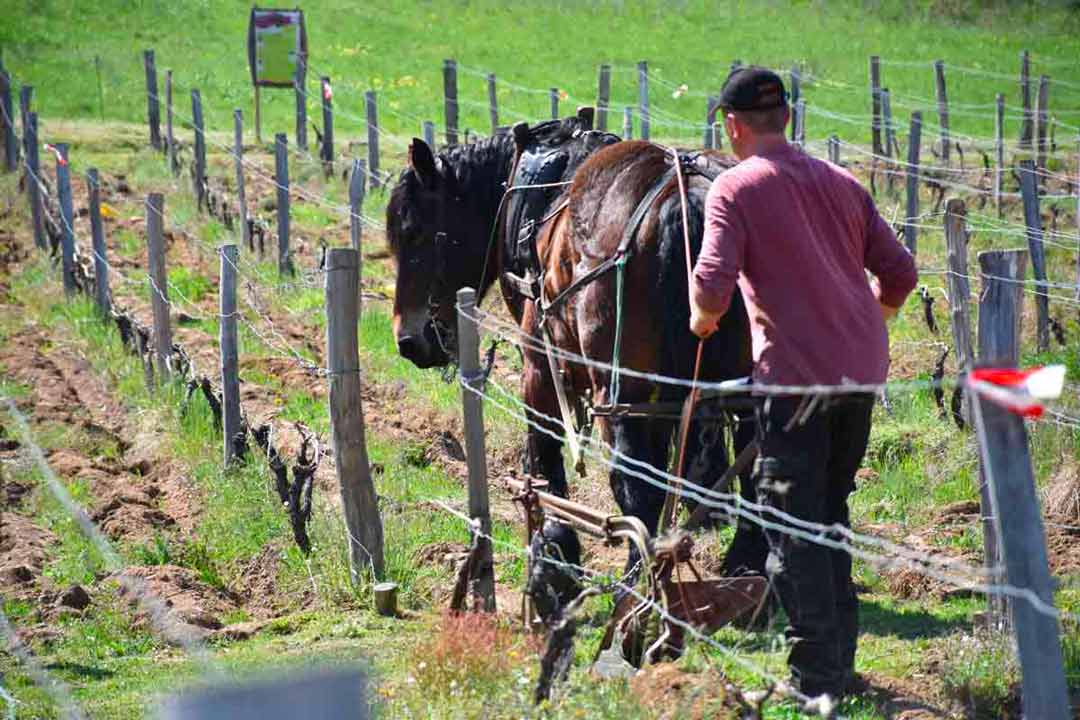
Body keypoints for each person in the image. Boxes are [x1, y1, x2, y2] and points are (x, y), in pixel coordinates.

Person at [689, 66, 918, 700]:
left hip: (793, 387)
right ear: (786, 119)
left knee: (790, 528)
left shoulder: (735, 188)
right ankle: (841, 661)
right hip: (861, 373)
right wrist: (870, 320)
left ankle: (817, 681)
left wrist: (702, 320)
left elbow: (710, 287)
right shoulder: (843, 183)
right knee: (829, 512)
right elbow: (900, 273)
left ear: (733, 126)